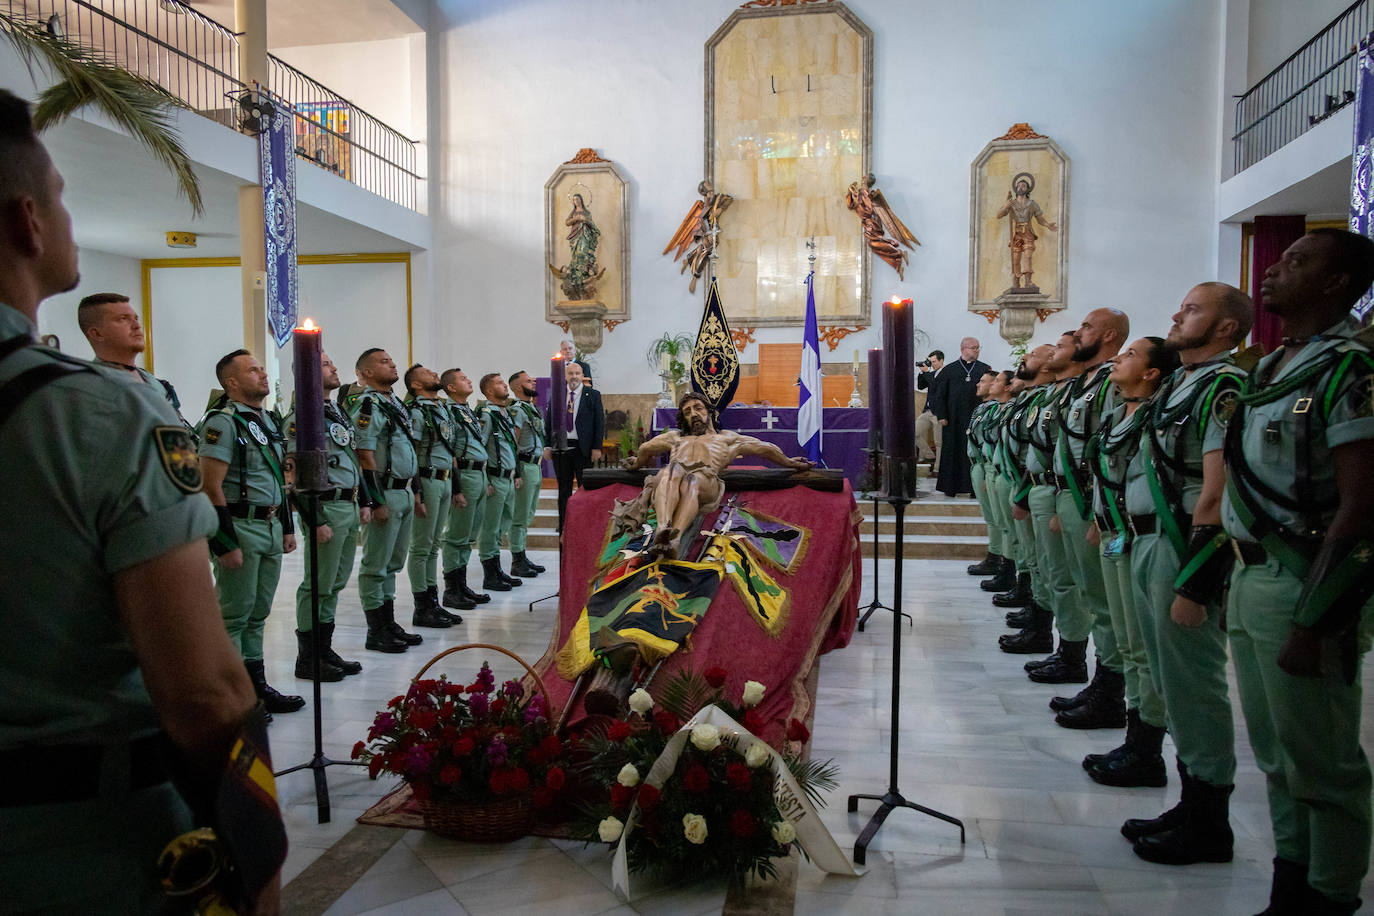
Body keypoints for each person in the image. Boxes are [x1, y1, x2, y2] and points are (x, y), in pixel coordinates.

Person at [0, 88, 283, 912]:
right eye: (62, 197)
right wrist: (257, 856)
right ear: (28, 222)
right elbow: (203, 694)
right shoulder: (93, 411)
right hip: (70, 841)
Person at [1224, 229, 1374, 914]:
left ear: (1337, 284)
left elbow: (1361, 503)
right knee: (1279, 756)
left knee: (1326, 766)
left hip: (1304, 581)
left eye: (1297, 263)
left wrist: (1316, 618)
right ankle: (1294, 885)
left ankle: (1332, 896)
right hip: (1250, 578)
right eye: (1279, 260)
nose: (1276, 270)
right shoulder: (1269, 369)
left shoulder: (1349, 370)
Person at [1120, 282, 1252, 866]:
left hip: (1184, 545)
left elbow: (1216, 491)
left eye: (1193, 309)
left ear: (1227, 328)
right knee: (1171, 680)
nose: (1177, 313)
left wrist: (1197, 581)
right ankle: (1190, 801)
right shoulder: (1181, 382)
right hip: (1152, 541)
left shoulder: (1225, 384)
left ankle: (1209, 820)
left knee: (1195, 685)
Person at [1081, 336, 1179, 789]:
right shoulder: (1122, 410)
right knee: (1126, 637)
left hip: (1144, 535)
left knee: (1142, 644)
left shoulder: (1160, 411)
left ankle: (1147, 747)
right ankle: (1135, 738)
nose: (1118, 359)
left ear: (1153, 373)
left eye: (1130, 354)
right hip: (1117, 531)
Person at [199, 349, 302, 717]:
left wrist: (287, 527)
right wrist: (223, 543)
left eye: (262, 368)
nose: (262, 374)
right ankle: (230, 694)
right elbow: (209, 486)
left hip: (270, 525)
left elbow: (279, 479)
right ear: (231, 383)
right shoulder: (222, 422)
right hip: (239, 526)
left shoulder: (266, 421)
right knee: (234, 614)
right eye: (253, 370)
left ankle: (255, 685)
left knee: (259, 613)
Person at [1047, 309, 1132, 728]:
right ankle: (1100, 679)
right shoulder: (1086, 384)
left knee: (1105, 602)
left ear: (1109, 335)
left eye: (1086, 327)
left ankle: (1111, 691)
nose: (1079, 332)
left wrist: (1100, 510)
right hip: (1080, 500)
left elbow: (1113, 448)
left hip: (1099, 505)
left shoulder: (1114, 382)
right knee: (1090, 592)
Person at [622, 392, 814, 557]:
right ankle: (663, 530)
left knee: (692, 480)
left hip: (706, 482)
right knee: (670, 470)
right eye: (687, 412)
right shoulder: (675, 438)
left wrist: (788, 462)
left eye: (698, 408)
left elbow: (764, 448)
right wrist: (637, 463)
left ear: (710, 412)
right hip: (673, 478)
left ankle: (675, 538)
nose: (694, 414)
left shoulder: (726, 439)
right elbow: (646, 447)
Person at [286, 352, 370, 680]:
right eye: (325, 363)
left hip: (346, 505)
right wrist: (314, 518)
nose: (334, 367)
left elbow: (351, 458)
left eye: (333, 362)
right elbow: (294, 474)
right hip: (326, 507)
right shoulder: (301, 418)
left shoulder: (335, 413)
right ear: (308, 372)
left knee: (334, 583)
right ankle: (308, 658)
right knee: (318, 584)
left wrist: (363, 499)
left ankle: (324, 648)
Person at [348, 348, 423, 653]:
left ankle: (389, 623)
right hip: (385, 492)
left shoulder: (395, 404)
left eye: (392, 360)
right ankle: (375, 629)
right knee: (376, 565)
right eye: (384, 361)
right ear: (365, 373)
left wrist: (414, 491)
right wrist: (374, 500)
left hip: (403, 491)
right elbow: (364, 454)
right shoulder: (367, 404)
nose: (392, 365)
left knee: (393, 562)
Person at [997, 344, 1058, 651]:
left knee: (1049, 569)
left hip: (1042, 487)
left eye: (1033, 355)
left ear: (1050, 363)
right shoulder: (1031, 400)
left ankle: (1049, 637)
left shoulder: (1053, 398)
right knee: (1034, 560)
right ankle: (1036, 620)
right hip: (1023, 483)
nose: (1024, 358)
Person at [76, 291, 191, 428]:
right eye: (123, 319)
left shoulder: (152, 381)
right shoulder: (89, 391)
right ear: (97, 333)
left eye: (135, 318)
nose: (136, 325)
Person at [404, 363, 461, 629]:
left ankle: (433, 603)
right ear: (415, 385)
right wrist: (416, 492)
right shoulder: (415, 412)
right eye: (428, 374)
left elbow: (450, 450)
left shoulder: (441, 408)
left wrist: (456, 487)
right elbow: (412, 453)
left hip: (444, 478)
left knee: (434, 545)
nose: (435, 375)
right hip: (426, 479)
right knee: (421, 546)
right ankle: (422, 607)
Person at [439, 367, 492, 611]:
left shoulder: (466, 410)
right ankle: (451, 589)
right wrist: (456, 486)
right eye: (462, 379)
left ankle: (461, 585)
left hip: (479, 473)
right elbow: (449, 451)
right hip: (465, 474)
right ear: (450, 388)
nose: (469, 380)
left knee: (470, 534)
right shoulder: (449, 411)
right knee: (457, 535)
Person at [476, 372, 524, 590]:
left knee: (502, 525)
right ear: (488, 390)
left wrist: (517, 473)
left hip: (508, 476)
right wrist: (485, 479)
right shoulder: (486, 414)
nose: (505, 385)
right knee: (490, 527)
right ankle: (490, 573)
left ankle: (497, 569)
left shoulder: (505, 413)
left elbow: (511, 446)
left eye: (504, 382)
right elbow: (480, 446)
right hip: (494, 477)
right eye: (499, 383)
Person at [543, 359, 604, 530]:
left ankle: (585, 522)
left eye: (577, 373)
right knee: (564, 488)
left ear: (583, 376)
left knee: (586, 487)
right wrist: (548, 445)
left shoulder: (592, 395)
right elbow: (549, 422)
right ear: (565, 376)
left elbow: (599, 423)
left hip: (582, 447)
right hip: (561, 447)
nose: (574, 376)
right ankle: (564, 524)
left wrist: (596, 447)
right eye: (570, 373)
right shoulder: (557, 395)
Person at [928, 337, 991, 497]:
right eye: (973, 348)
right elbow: (938, 395)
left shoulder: (984, 369)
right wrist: (941, 414)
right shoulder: (949, 370)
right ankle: (951, 487)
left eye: (978, 348)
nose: (977, 350)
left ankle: (974, 489)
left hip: (976, 419)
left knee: (975, 453)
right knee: (952, 452)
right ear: (963, 349)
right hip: (953, 420)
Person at [507, 369, 548, 578]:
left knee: (528, 513)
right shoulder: (517, 410)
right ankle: (517, 558)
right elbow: (513, 442)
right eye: (528, 381)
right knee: (520, 515)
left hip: (535, 464)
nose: (533, 383)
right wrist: (516, 472)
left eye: (533, 379)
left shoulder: (531, 408)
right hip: (524, 465)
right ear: (516, 387)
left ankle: (522, 555)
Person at [995, 173, 1058, 291]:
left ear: (1028, 189)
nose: (1020, 187)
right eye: (1018, 186)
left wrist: (1047, 225)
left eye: (1023, 185)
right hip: (1017, 234)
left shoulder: (1032, 204)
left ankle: (1028, 282)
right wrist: (1005, 206)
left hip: (1028, 232)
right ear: (1016, 188)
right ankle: (1016, 283)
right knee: (1016, 258)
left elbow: (1039, 218)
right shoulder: (1011, 203)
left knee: (1028, 256)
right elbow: (999, 215)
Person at [914, 349, 945, 469]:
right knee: (914, 432)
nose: (932, 364)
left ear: (941, 360)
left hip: (939, 412)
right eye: (931, 362)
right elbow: (921, 386)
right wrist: (922, 373)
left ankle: (938, 468)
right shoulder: (932, 374)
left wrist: (926, 372)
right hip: (928, 410)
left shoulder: (945, 373)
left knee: (938, 442)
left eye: (934, 361)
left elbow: (936, 384)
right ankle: (929, 455)